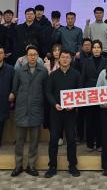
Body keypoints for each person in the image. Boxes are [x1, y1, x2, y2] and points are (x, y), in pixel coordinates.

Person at [10, 45, 47, 177]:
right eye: (30, 55)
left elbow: (45, 90)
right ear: (26, 56)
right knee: (19, 140)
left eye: (35, 55)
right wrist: (12, 95)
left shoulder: (43, 71)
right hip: (22, 108)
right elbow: (14, 88)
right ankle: (18, 165)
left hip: (36, 108)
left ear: (38, 56)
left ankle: (31, 165)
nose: (32, 57)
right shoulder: (19, 70)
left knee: (34, 140)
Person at [44, 50, 81, 178]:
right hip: (56, 112)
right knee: (53, 139)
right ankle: (52, 166)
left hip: (70, 113)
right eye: (63, 57)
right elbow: (48, 92)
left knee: (71, 139)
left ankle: (72, 165)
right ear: (59, 59)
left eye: (67, 57)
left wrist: (74, 104)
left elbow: (80, 91)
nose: (65, 59)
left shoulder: (76, 74)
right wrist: (54, 104)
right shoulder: (53, 75)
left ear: (71, 59)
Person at [80, 39, 107, 150]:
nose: (96, 49)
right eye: (94, 47)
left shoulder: (106, 61)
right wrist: (82, 92)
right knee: (90, 119)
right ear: (92, 49)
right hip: (89, 92)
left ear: (101, 49)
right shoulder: (86, 61)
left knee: (101, 119)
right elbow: (83, 77)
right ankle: (90, 144)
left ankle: (100, 143)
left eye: (98, 47)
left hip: (101, 92)